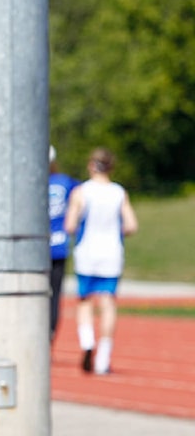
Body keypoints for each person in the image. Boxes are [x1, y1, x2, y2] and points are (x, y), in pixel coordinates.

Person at [64, 147, 138, 375]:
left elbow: (70, 225)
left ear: (90, 165)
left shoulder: (81, 192)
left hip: (87, 252)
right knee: (108, 304)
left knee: (85, 302)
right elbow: (131, 225)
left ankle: (87, 342)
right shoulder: (118, 192)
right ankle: (103, 359)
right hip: (111, 253)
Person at [48, 145, 78, 345]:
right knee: (54, 296)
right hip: (59, 245)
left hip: (35, 248)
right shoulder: (66, 182)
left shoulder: (28, 182)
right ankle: (49, 335)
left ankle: (39, 336)